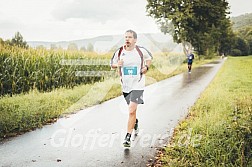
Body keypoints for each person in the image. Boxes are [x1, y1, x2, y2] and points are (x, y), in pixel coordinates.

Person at [110, 30, 152, 147]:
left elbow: (149, 58)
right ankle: (135, 122)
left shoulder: (141, 51)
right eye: (126, 37)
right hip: (126, 85)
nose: (127, 39)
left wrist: (146, 67)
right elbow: (111, 64)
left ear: (135, 40)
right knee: (131, 110)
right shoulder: (119, 52)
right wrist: (117, 64)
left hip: (138, 84)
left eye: (129, 37)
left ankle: (127, 137)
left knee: (131, 110)